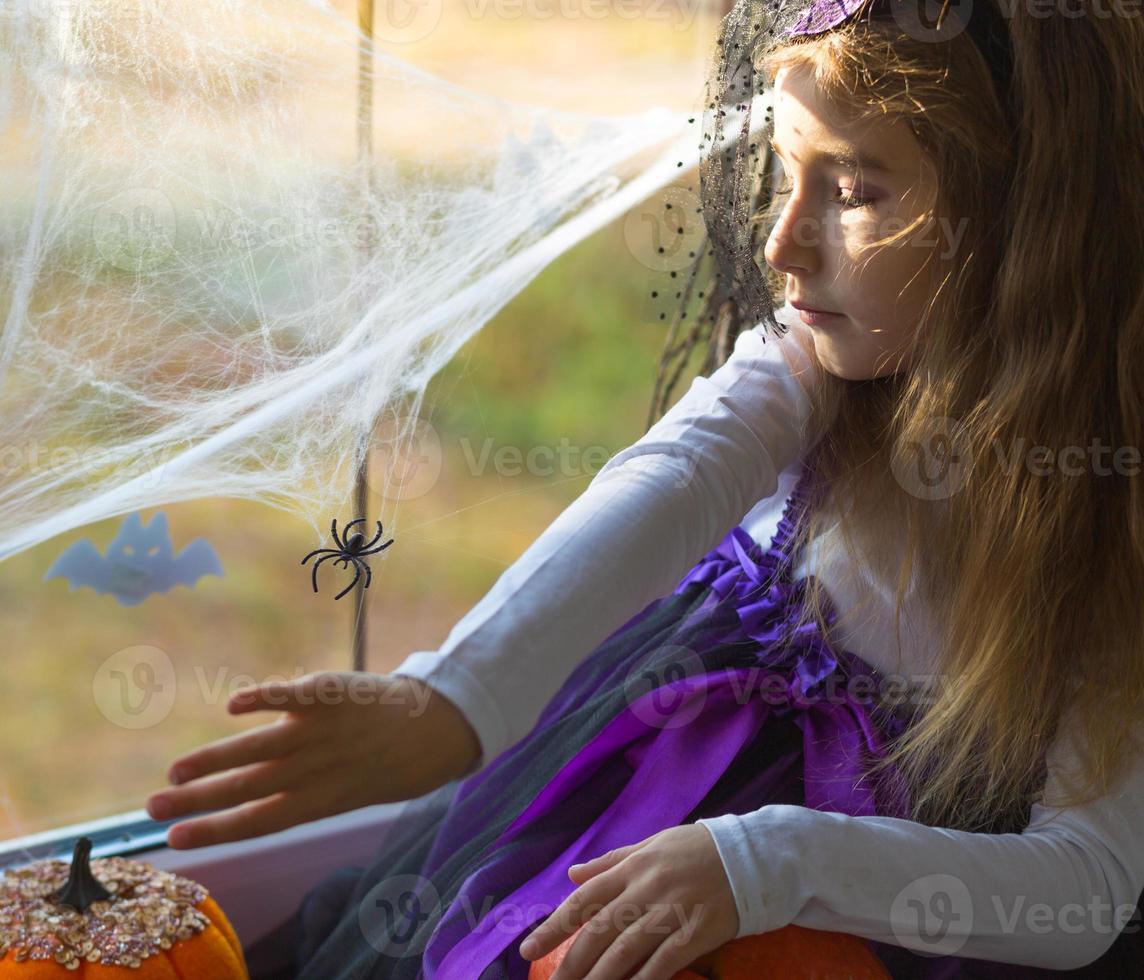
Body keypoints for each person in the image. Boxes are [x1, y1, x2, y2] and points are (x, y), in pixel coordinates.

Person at [146, 0, 1144, 976]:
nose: (780, 245)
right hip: (681, 750)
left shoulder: (1112, 530)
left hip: (884, 879)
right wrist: (456, 696)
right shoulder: (814, 366)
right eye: (787, 175)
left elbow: (1085, 884)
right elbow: (678, 469)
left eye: (852, 191)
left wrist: (767, 861)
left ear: (1026, 226)